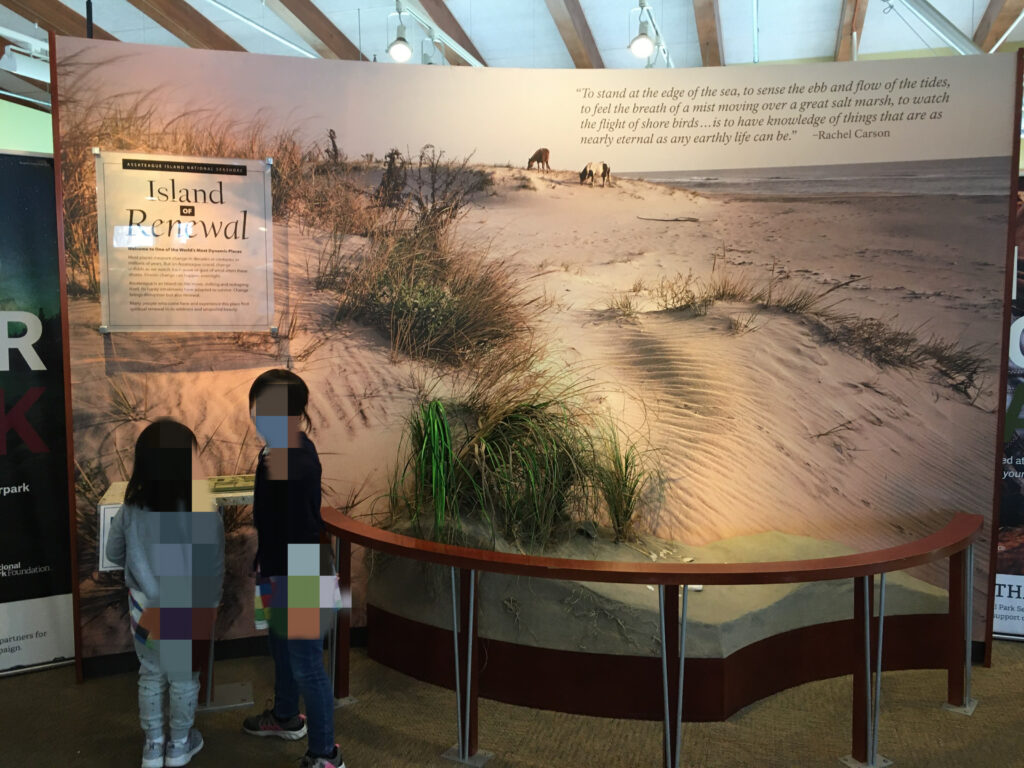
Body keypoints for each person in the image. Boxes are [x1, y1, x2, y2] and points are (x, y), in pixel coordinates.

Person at [241, 369, 345, 768]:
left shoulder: (291, 458)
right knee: (281, 649)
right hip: (281, 567)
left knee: (306, 664)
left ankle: (325, 755)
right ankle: (285, 716)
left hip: (302, 571)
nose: (257, 416)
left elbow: (298, 525)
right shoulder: (281, 450)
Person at [106, 419, 224, 768]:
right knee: (185, 677)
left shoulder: (131, 509)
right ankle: (179, 744)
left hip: (145, 609)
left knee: (152, 674)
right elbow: (213, 569)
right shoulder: (204, 511)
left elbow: (114, 554)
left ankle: (153, 746)